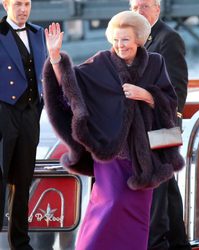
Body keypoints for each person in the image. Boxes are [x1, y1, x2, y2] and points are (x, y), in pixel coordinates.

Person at [42, 11, 185, 250]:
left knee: (137, 220)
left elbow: (171, 102)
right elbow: (70, 87)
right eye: (116, 40)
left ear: (138, 39)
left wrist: (147, 95)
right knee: (108, 205)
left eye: (126, 39)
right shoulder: (100, 62)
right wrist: (56, 58)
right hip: (112, 154)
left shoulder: (156, 62)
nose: (120, 45)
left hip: (144, 158)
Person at [129, 0, 190, 249]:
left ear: (157, 9)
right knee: (167, 189)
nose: (138, 12)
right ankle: (178, 242)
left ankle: (154, 243)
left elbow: (177, 90)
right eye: (134, 7)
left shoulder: (169, 39)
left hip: (164, 125)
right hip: (143, 126)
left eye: (144, 6)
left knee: (157, 190)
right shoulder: (131, 38)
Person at [0, 0, 47, 249]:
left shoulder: (39, 34)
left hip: (30, 113)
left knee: (23, 177)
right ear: (5, 4)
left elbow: (44, 73)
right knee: (0, 174)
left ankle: (21, 241)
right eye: (17, 4)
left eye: (27, 4)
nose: (23, 9)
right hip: (3, 111)